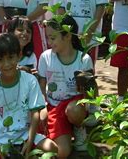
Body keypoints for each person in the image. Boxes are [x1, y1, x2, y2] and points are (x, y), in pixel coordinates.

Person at [0, 33, 57, 159]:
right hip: (1, 141)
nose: (6, 64)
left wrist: (30, 141)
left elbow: (35, 113)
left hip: (26, 135)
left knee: (52, 148)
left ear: (19, 56)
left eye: (10, 57)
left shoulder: (30, 80)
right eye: (0, 59)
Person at [38, 15, 92, 158]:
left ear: (67, 36)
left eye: (53, 38)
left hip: (76, 105)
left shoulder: (83, 59)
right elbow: (42, 83)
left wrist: (93, 110)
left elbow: (91, 88)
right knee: (62, 153)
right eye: (48, 38)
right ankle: (67, 131)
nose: (49, 42)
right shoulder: (45, 57)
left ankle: (79, 128)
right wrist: (42, 105)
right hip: (54, 106)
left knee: (73, 110)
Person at [0, 16, 36, 82]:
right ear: (11, 32)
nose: (25, 33)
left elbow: (32, 79)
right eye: (20, 30)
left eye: (28, 31)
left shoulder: (31, 56)